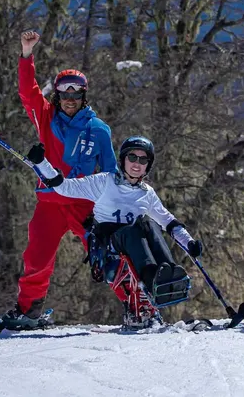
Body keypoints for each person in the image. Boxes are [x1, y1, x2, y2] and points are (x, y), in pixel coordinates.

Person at [0, 30, 118, 331]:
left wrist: (113, 207)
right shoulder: (46, 117)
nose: (70, 99)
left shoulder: (98, 129)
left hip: (83, 204)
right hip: (49, 204)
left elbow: (112, 172)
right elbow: (28, 92)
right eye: (65, 92)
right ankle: (29, 311)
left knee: (106, 252)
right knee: (35, 258)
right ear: (58, 95)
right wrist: (26, 53)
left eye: (76, 93)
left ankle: (136, 303)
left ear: (83, 95)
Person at [29, 136, 203, 328]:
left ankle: (168, 274)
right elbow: (64, 187)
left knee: (149, 224)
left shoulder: (147, 193)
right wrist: (42, 163)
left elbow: (168, 221)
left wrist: (189, 244)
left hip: (133, 241)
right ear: (123, 160)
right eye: (132, 157)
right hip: (108, 245)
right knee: (132, 230)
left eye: (143, 160)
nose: (137, 164)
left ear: (148, 165)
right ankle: (151, 278)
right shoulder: (105, 182)